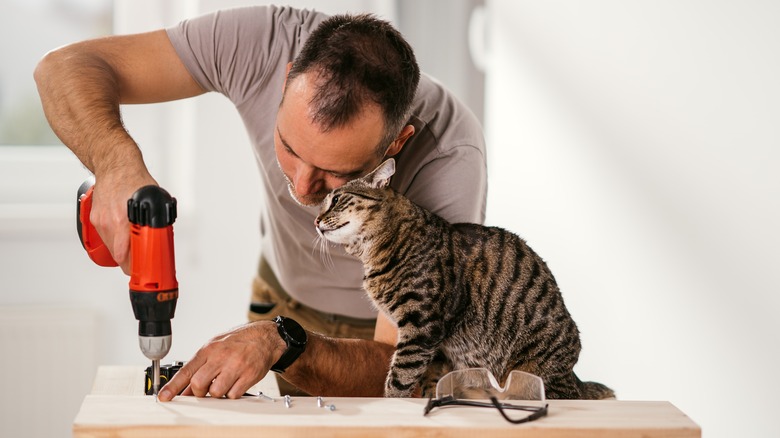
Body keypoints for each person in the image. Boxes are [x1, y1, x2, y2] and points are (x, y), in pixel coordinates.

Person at [35, 5, 486, 400]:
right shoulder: (262, 45)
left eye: (339, 174)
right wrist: (117, 165)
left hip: (381, 335)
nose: (306, 188)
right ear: (287, 80)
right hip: (280, 296)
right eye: (290, 147)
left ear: (396, 144)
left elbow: (396, 367)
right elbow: (62, 68)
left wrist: (281, 341)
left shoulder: (448, 161)